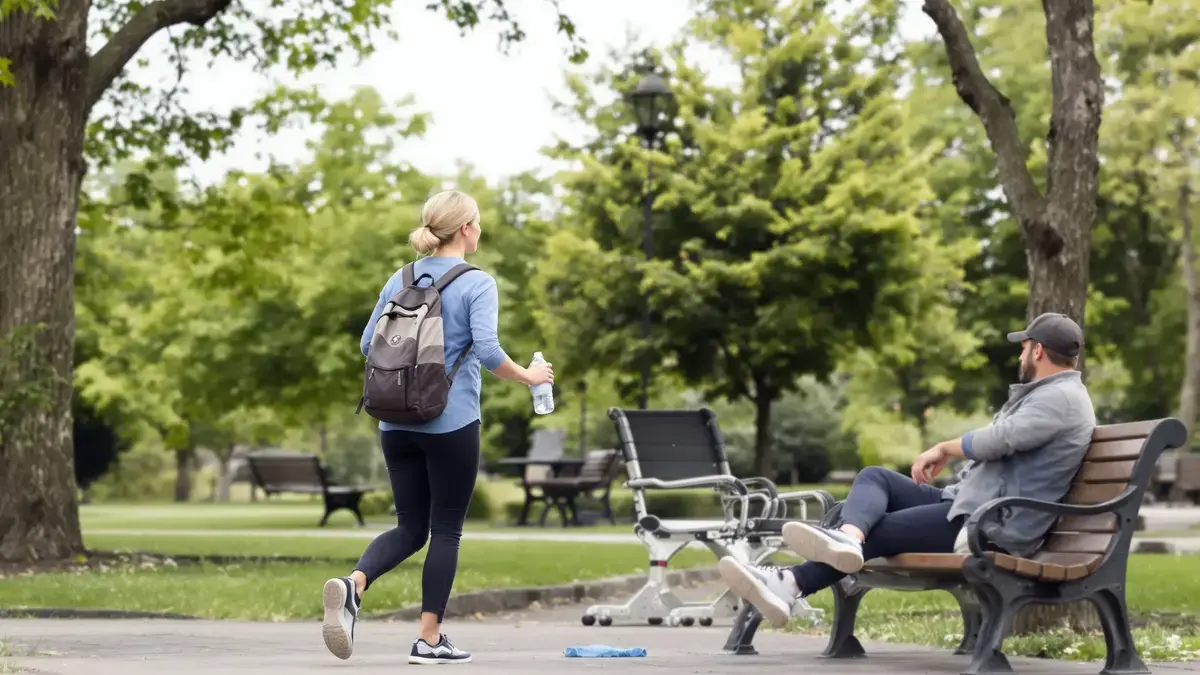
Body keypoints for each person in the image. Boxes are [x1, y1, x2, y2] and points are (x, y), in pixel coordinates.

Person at [717, 312, 1096, 627]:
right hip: (971, 503)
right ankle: (845, 539)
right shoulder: (1052, 395)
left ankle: (791, 582)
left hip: (991, 523)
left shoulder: (1059, 398)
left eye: (1025, 347)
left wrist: (946, 448)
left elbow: (1002, 438)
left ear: (1039, 350)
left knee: (878, 530)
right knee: (875, 478)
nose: (1021, 354)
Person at [320, 190, 555, 664]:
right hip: (450, 421)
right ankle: (428, 640)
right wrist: (530, 376)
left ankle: (353, 584)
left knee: (410, 527)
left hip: (394, 422)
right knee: (445, 530)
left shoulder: (401, 277)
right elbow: (488, 351)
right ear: (466, 229)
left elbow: (369, 344)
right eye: (479, 223)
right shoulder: (477, 282)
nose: (481, 230)